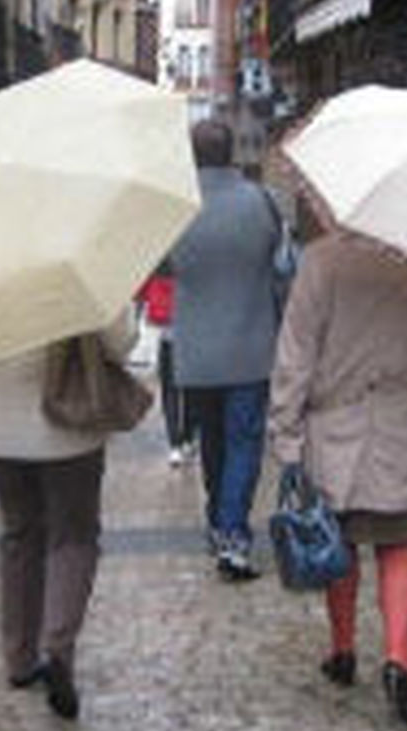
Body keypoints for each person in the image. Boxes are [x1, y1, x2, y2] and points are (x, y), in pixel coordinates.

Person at [269, 224, 407, 729]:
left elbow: (295, 355)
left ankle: (342, 650)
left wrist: (285, 433)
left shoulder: (320, 261)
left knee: (337, 545)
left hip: (335, 429)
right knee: (399, 546)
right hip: (402, 428)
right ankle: (399, 661)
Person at [0, 310, 136, 721]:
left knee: (19, 534)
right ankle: (58, 643)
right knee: (73, 537)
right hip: (68, 426)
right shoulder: (74, 258)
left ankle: (19, 657)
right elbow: (122, 341)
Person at [168, 120, 283, 581]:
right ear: (231, 152)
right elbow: (280, 261)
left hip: (196, 352)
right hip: (250, 347)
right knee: (243, 442)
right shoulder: (260, 202)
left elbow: (163, 264)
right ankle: (232, 535)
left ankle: (220, 522)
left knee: (213, 442)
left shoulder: (175, 208)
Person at [138, 263, 194, 467]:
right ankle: (187, 437)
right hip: (191, 331)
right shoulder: (191, 249)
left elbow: (141, 292)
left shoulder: (158, 254)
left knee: (170, 390)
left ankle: (175, 445)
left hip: (168, 333)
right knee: (190, 389)